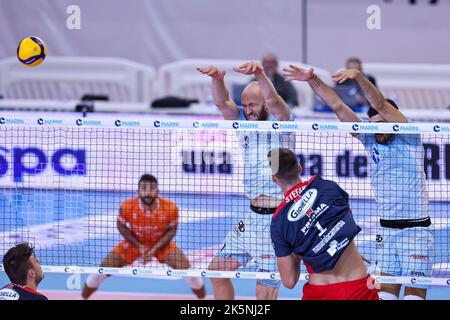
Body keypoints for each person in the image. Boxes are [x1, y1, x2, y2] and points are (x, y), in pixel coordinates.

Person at [283, 65, 433, 300]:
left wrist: (359, 77)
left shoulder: (409, 134)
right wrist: (313, 81)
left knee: (414, 296)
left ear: (395, 120)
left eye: (382, 125)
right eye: (373, 125)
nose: (377, 131)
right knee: (384, 296)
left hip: (415, 231)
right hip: (386, 231)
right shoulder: (371, 138)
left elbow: (382, 104)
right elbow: (338, 106)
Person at [197, 61, 294, 300]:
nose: (248, 110)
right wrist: (218, 79)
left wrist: (260, 74)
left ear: (265, 105)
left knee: (264, 292)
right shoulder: (243, 123)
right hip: (251, 218)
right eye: (245, 105)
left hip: (276, 221)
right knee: (217, 272)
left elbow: (273, 102)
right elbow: (222, 103)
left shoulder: (283, 123)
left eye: (253, 105)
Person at [268, 148, 379, 300]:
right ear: (299, 167)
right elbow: (345, 224)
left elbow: (289, 281)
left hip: (320, 293)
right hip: (361, 287)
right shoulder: (327, 187)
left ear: (274, 178)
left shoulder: (278, 221)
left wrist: (296, 253)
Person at [81, 174, 206, 299]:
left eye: (152, 188)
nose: (148, 193)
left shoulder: (170, 208)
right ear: (138, 191)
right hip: (134, 243)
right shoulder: (127, 206)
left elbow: (172, 231)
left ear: (158, 191)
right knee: (99, 273)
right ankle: (82, 298)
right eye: (144, 188)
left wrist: (153, 250)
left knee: (191, 276)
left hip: (162, 244)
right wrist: (140, 246)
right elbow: (121, 226)